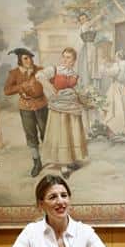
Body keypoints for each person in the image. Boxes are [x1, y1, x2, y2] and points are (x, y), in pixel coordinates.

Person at [0, 174, 118, 247]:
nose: (61, 202)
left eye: (64, 195)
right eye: (52, 197)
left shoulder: (84, 231)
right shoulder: (31, 231)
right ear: (41, 204)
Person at [36, 47, 89, 178]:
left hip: (73, 107)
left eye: (68, 57)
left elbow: (79, 90)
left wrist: (86, 99)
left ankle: (72, 160)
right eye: (64, 57)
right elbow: (39, 75)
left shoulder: (75, 74)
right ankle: (63, 165)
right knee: (62, 134)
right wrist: (49, 88)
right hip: (59, 108)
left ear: (74, 60)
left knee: (72, 133)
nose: (65, 60)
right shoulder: (55, 69)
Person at [3, 47, 48, 177]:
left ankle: (53, 158)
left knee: (46, 132)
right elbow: (7, 90)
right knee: (31, 135)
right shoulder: (14, 73)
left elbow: (50, 83)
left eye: (31, 58)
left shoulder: (40, 70)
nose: (29, 60)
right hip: (26, 107)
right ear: (20, 60)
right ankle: (37, 162)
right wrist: (21, 86)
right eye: (26, 58)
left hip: (41, 105)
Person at [100, 48, 125, 136]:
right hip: (124, 88)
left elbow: (110, 73)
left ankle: (114, 130)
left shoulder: (118, 65)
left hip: (116, 88)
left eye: (116, 56)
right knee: (123, 108)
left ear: (119, 56)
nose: (115, 58)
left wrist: (103, 66)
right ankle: (123, 128)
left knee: (114, 108)